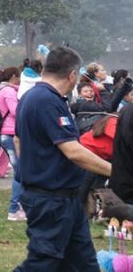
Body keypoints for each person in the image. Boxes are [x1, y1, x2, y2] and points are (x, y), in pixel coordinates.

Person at [13, 47, 112, 270]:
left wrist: (30, 170)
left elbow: (18, 140)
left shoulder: (31, 97)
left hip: (65, 197)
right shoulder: (46, 100)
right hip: (51, 199)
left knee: (84, 263)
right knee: (43, 263)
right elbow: (73, 151)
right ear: (72, 75)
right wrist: (115, 171)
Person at [0, 67, 23, 220]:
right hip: (10, 133)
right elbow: (15, 111)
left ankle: (20, 206)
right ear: (14, 76)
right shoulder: (8, 91)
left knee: (20, 172)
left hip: (8, 133)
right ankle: (14, 209)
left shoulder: (4, 90)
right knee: (20, 173)